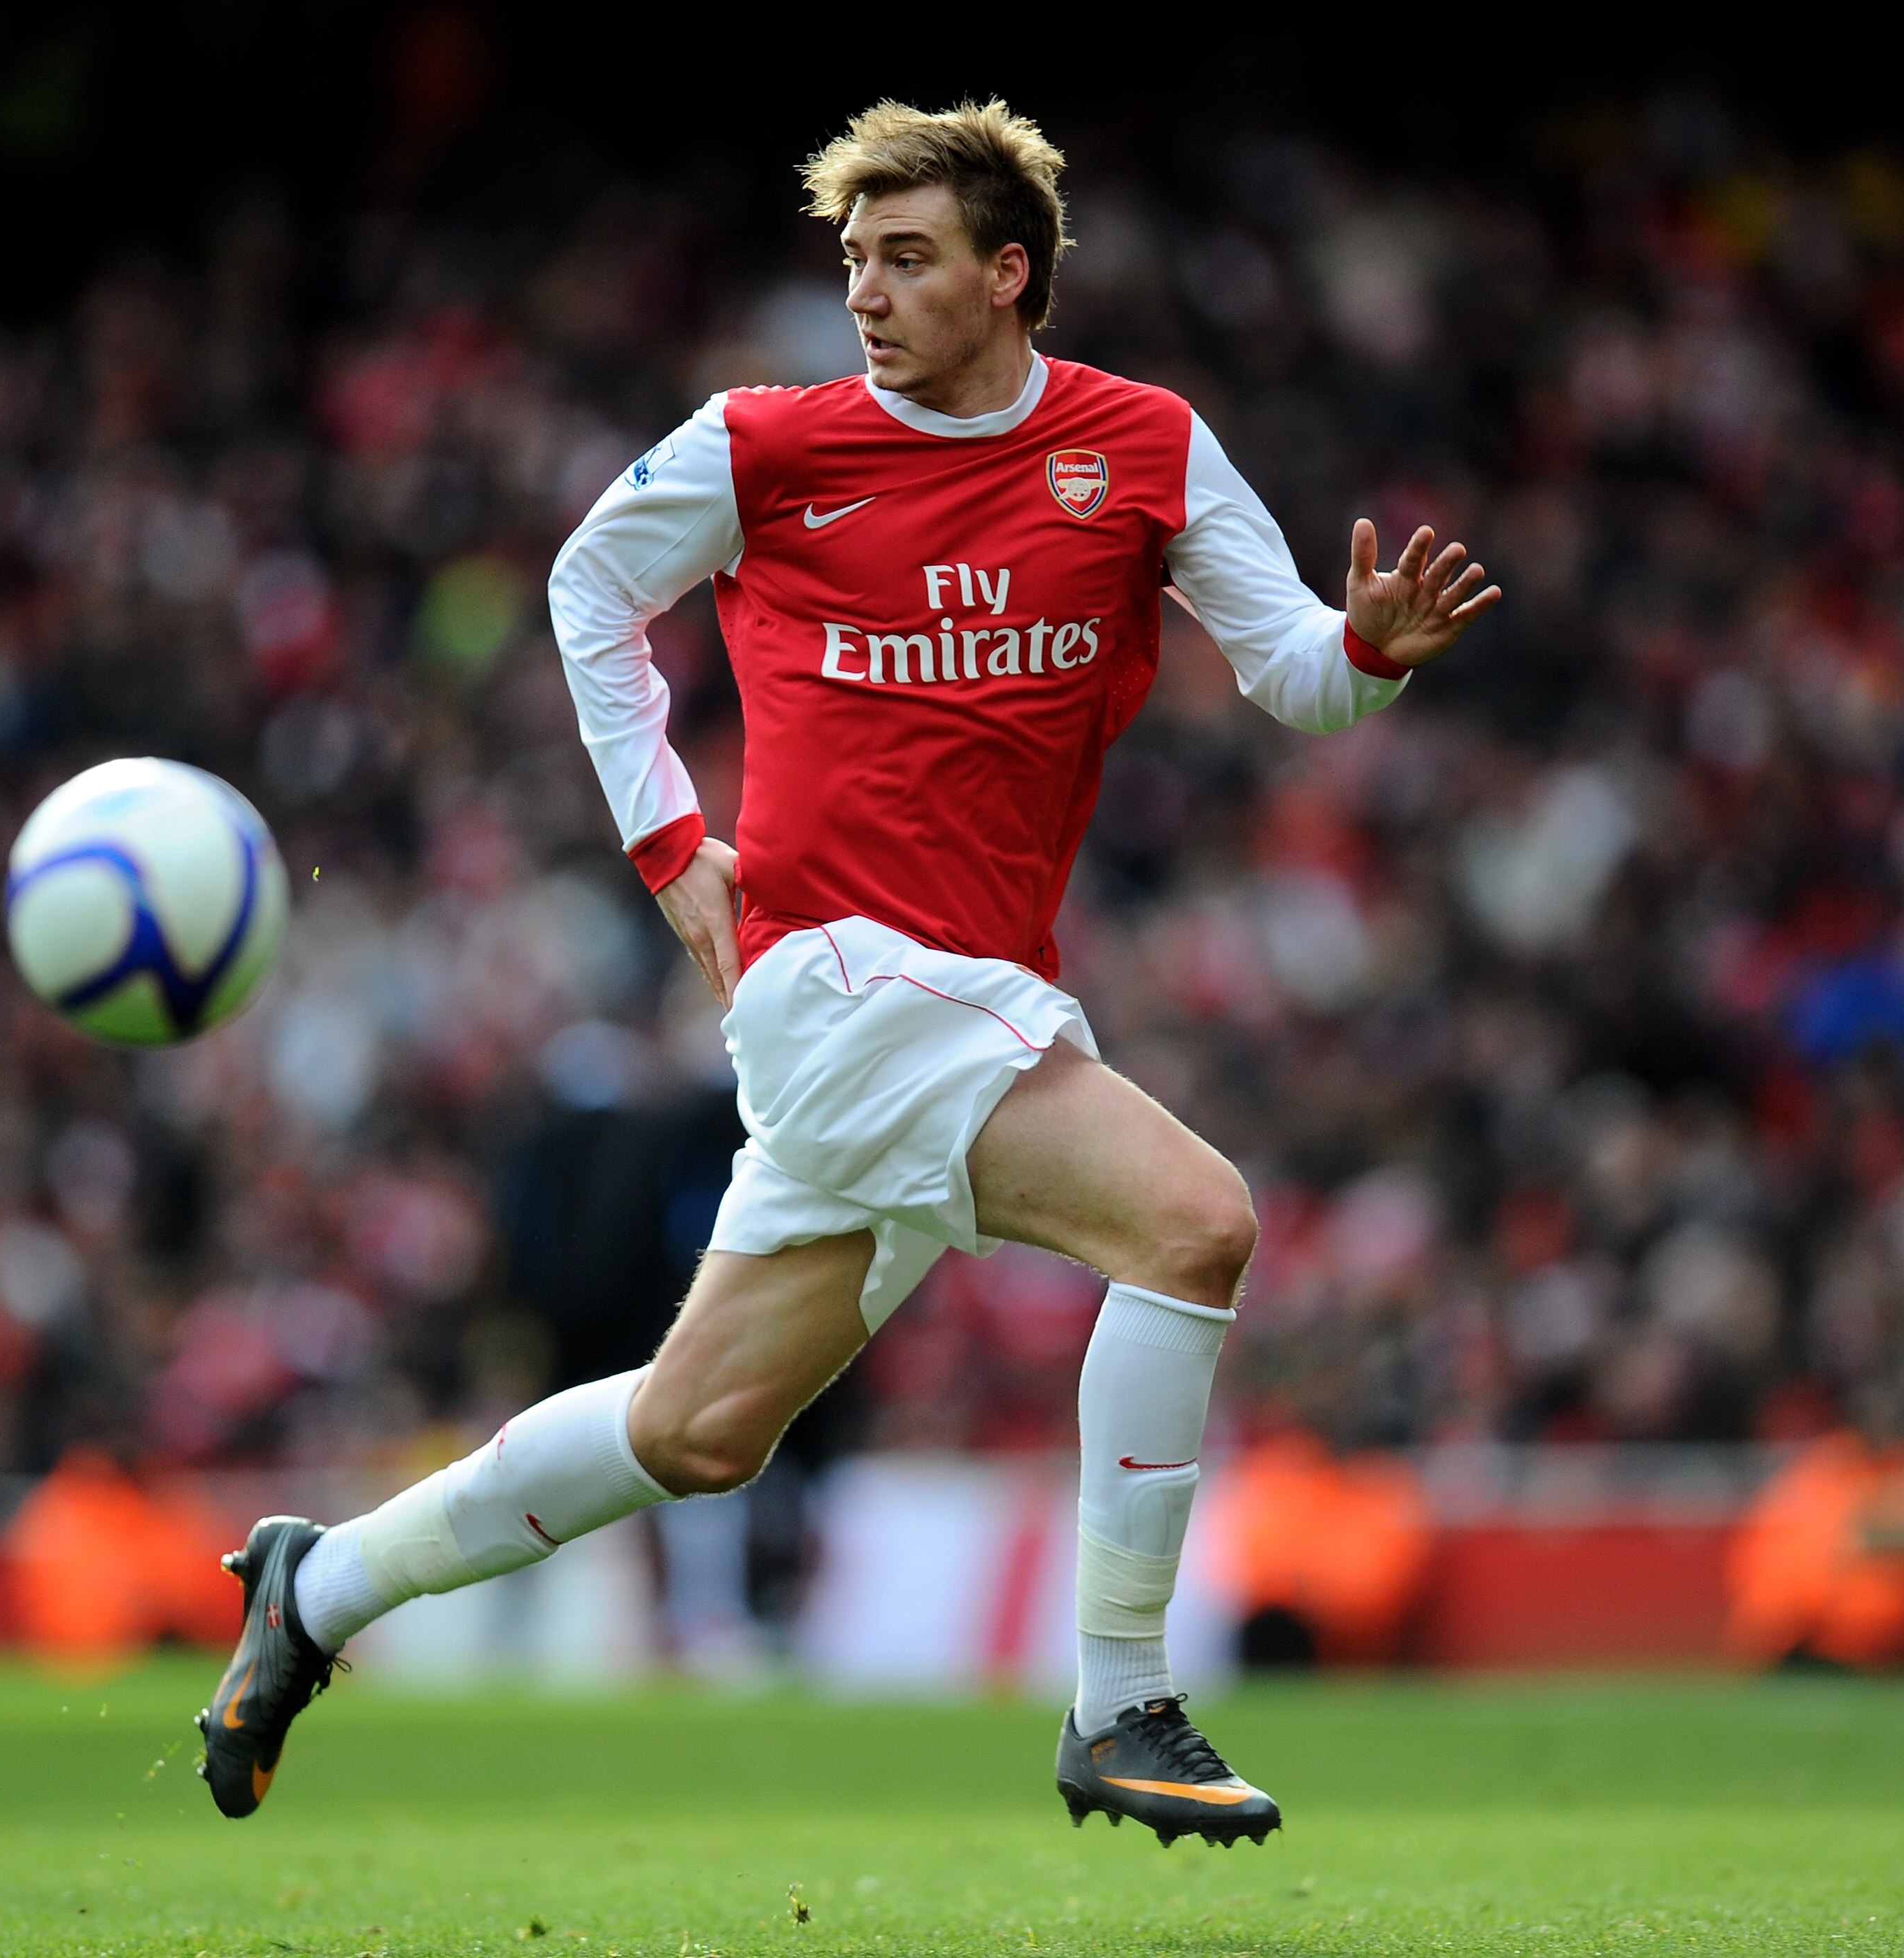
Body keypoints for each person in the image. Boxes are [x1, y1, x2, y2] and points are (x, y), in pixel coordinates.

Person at [196, 98, 1499, 1844]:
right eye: (853, 262)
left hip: (968, 987)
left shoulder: (1142, 446)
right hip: (834, 979)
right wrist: (668, 838)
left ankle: (319, 1586)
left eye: (905, 258)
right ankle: (1121, 1699)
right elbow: (588, 586)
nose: (865, 295)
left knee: (699, 1428)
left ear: (1008, 273)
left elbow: (1293, 675)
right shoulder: (766, 444)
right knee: (1193, 1222)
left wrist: (1371, 651)